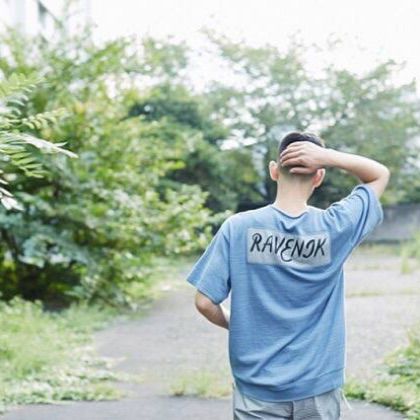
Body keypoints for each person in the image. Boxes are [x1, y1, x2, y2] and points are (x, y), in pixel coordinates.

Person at [185, 131, 390, 420]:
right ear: (319, 176)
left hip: (257, 387)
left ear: (273, 171)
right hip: (317, 384)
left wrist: (239, 325)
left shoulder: (238, 227)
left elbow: (205, 302)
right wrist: (326, 157)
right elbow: (379, 175)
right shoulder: (335, 226)